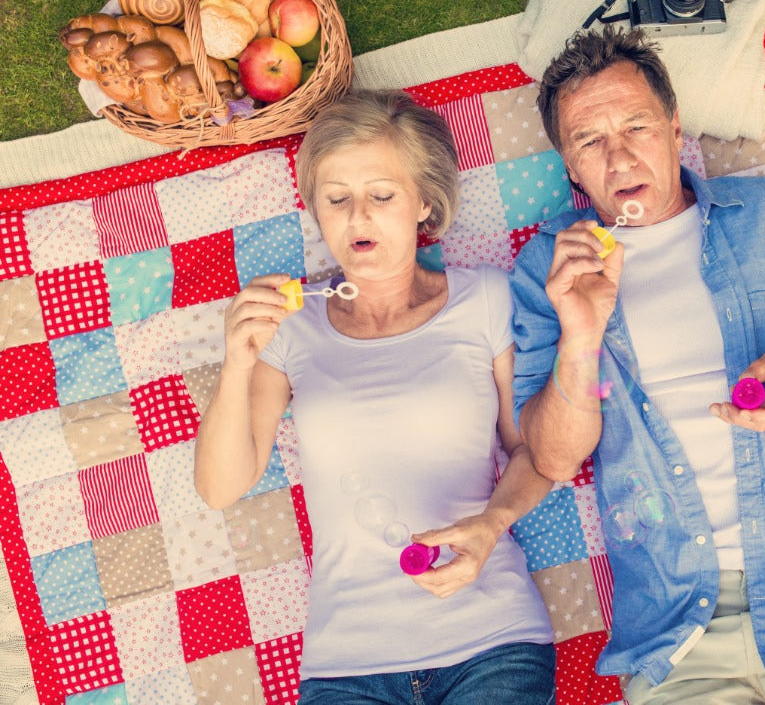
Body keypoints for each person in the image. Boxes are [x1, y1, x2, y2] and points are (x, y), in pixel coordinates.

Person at [510, 27, 765, 703]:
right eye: (589, 141)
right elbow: (553, 459)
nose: (618, 159)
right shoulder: (544, 272)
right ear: (571, 169)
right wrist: (579, 334)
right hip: (679, 625)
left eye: (637, 126)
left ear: (675, 130)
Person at [194, 89, 555, 705]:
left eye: (381, 196)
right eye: (337, 199)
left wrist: (492, 525)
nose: (358, 216)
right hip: (345, 665)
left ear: (425, 205)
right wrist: (237, 362)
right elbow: (219, 487)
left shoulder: (488, 299)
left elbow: (538, 454)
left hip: (491, 641)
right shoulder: (292, 324)